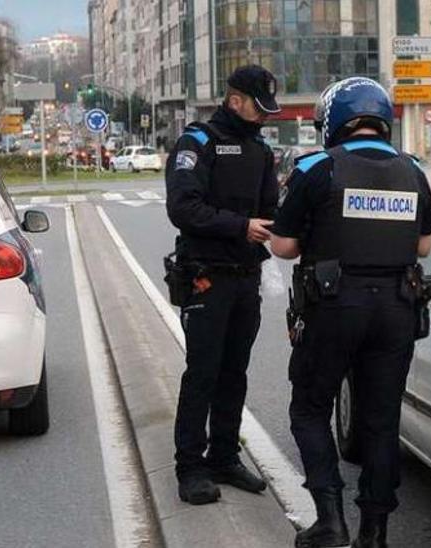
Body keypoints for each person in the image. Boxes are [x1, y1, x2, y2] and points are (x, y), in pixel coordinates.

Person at [270, 77, 431, 548]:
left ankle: (330, 519)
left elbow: (284, 246)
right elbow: (424, 244)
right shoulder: (412, 170)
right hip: (397, 310)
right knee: (381, 421)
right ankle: (375, 532)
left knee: (310, 409)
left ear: (335, 122)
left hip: (333, 307)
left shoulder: (316, 167)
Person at [164, 65, 280, 506]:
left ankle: (225, 456)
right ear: (235, 101)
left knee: (234, 374)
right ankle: (190, 467)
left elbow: (270, 208)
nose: (264, 116)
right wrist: (240, 227)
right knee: (203, 374)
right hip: (206, 277)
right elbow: (183, 207)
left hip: (246, 279)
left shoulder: (261, 151)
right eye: (258, 107)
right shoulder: (198, 142)